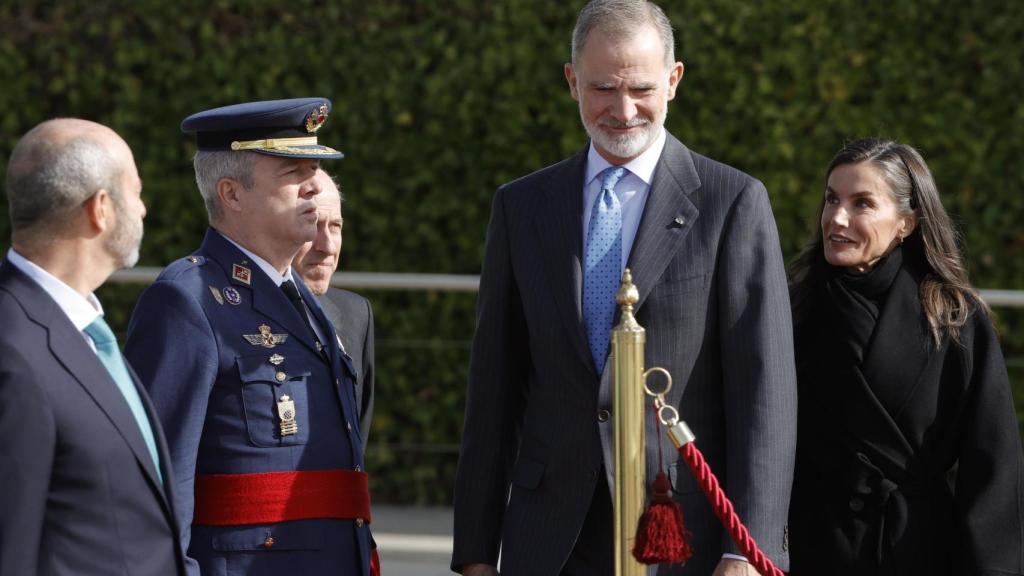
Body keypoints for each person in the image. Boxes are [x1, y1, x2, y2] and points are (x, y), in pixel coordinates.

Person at [451, 1, 797, 574]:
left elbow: (765, 392)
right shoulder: (522, 207)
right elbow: (494, 386)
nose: (623, 109)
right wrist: (476, 553)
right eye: (603, 88)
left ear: (674, 80)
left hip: (680, 534)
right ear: (571, 82)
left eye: (640, 87)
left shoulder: (731, 202)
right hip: (551, 536)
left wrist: (746, 550)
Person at [124, 98, 377, 576]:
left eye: (316, 168)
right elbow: (156, 483)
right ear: (232, 194)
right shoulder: (187, 300)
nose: (313, 186)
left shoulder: (302, 296)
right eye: (292, 171)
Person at [786, 138, 1024, 575]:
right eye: (831, 199)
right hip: (810, 548)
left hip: (918, 550)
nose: (836, 218)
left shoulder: (953, 318)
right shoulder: (792, 311)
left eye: (862, 204)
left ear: (906, 223)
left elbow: (991, 465)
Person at [0, 118, 186, 575]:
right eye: (136, 191)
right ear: (100, 209)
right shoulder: (12, 351)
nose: (143, 210)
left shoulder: (82, 329)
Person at [292, 168, 375, 446]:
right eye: (314, 226)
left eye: (335, 227)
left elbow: (356, 448)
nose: (327, 246)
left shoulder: (356, 314)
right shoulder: (225, 308)